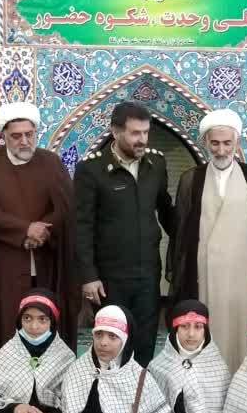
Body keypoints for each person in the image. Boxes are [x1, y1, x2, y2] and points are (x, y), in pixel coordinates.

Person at [0, 102, 78, 380]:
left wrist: (42, 232)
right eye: (16, 136)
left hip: (46, 260)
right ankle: (5, 387)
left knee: (45, 321)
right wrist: (24, 230)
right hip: (5, 265)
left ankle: (48, 386)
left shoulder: (51, 163)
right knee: (8, 325)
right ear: (3, 136)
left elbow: (65, 207)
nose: (24, 141)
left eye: (29, 134)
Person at [168, 109, 247, 374]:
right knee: (209, 334)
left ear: (237, 142)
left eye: (227, 143)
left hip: (245, 277)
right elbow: (181, 235)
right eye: (215, 143)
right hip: (206, 276)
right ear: (205, 143)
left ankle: (244, 387)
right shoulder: (191, 179)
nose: (221, 150)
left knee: (243, 337)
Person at [74, 101, 175, 364]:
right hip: (110, 277)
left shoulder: (156, 163)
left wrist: (190, 242)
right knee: (112, 341)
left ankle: (140, 389)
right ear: (115, 132)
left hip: (148, 273)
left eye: (145, 132)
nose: (142, 139)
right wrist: (88, 276)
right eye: (135, 133)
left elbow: (166, 211)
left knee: (144, 341)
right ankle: (107, 389)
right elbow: (82, 225)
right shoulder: (91, 169)